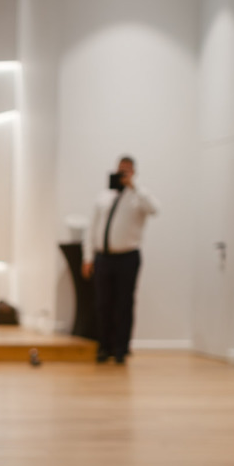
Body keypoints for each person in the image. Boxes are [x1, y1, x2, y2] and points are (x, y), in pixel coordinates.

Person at [84, 156, 158, 365]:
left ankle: (121, 349)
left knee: (124, 304)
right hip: (103, 257)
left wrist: (134, 187)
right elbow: (92, 228)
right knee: (102, 303)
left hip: (127, 257)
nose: (123, 173)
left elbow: (154, 209)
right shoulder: (104, 196)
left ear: (134, 172)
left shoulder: (139, 196)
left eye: (127, 170)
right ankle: (104, 346)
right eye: (120, 169)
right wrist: (88, 257)